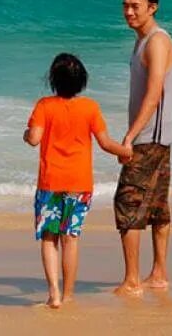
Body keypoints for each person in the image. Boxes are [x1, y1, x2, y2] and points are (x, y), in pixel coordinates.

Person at [23, 53, 131, 309]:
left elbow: (34, 139)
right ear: (81, 81)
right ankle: (69, 293)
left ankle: (54, 294)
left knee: (50, 238)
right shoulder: (90, 108)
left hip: (50, 183)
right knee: (70, 237)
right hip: (79, 184)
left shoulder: (44, 105)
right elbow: (105, 143)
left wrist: (26, 133)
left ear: (53, 80)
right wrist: (126, 152)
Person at [114, 0, 172, 296]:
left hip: (149, 139)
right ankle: (159, 274)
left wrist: (129, 136)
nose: (128, 11)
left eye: (135, 6)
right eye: (125, 5)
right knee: (156, 207)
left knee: (128, 203)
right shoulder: (142, 40)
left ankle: (131, 280)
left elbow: (154, 95)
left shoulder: (156, 41)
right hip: (157, 138)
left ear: (152, 7)